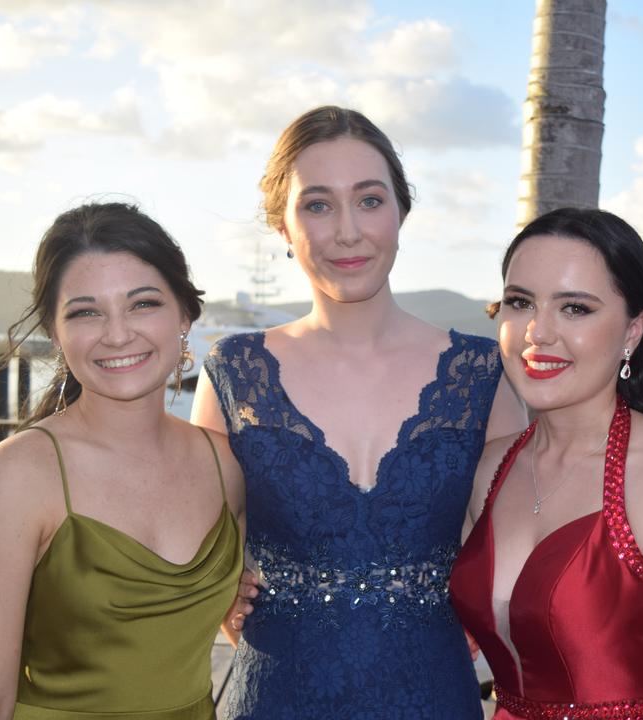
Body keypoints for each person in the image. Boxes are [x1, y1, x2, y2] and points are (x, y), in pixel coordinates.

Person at [191, 106, 523, 719]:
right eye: (317, 205)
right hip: (275, 698)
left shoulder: (481, 375)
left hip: (433, 697)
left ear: (401, 212)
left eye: (369, 200)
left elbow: (522, 553)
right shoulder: (235, 374)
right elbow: (197, 554)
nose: (348, 231)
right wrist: (219, 592)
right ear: (283, 228)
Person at [0, 202, 244, 719]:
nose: (117, 333)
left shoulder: (227, 466)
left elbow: (232, 617)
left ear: (185, 316)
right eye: (86, 312)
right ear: (56, 332)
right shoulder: (18, 477)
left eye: (143, 303)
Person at [448, 208, 643, 719]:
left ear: (632, 331)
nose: (538, 332)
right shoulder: (488, 471)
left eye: (574, 308)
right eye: (519, 302)